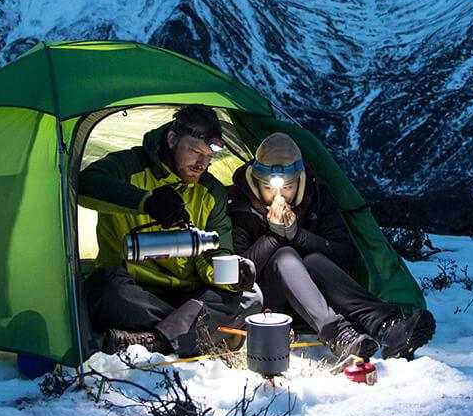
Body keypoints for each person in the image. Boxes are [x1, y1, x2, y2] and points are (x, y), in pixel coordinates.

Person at [227, 132, 435, 360]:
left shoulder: (317, 195)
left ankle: (387, 327)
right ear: (257, 181)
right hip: (268, 305)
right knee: (285, 255)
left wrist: (297, 235)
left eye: (287, 187)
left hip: (319, 298)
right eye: (268, 187)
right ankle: (338, 334)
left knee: (314, 260)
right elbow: (238, 271)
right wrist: (274, 236)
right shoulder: (240, 203)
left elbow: (344, 252)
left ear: (299, 180)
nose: (278, 195)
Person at [78, 105, 262, 356]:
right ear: (172, 139)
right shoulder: (130, 166)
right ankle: (196, 334)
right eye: (195, 152)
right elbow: (86, 185)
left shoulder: (211, 192)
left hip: (188, 296)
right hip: (134, 291)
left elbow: (216, 256)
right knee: (103, 289)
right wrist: (147, 201)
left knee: (251, 296)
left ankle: (153, 340)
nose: (202, 164)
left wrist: (234, 275)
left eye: (209, 157)